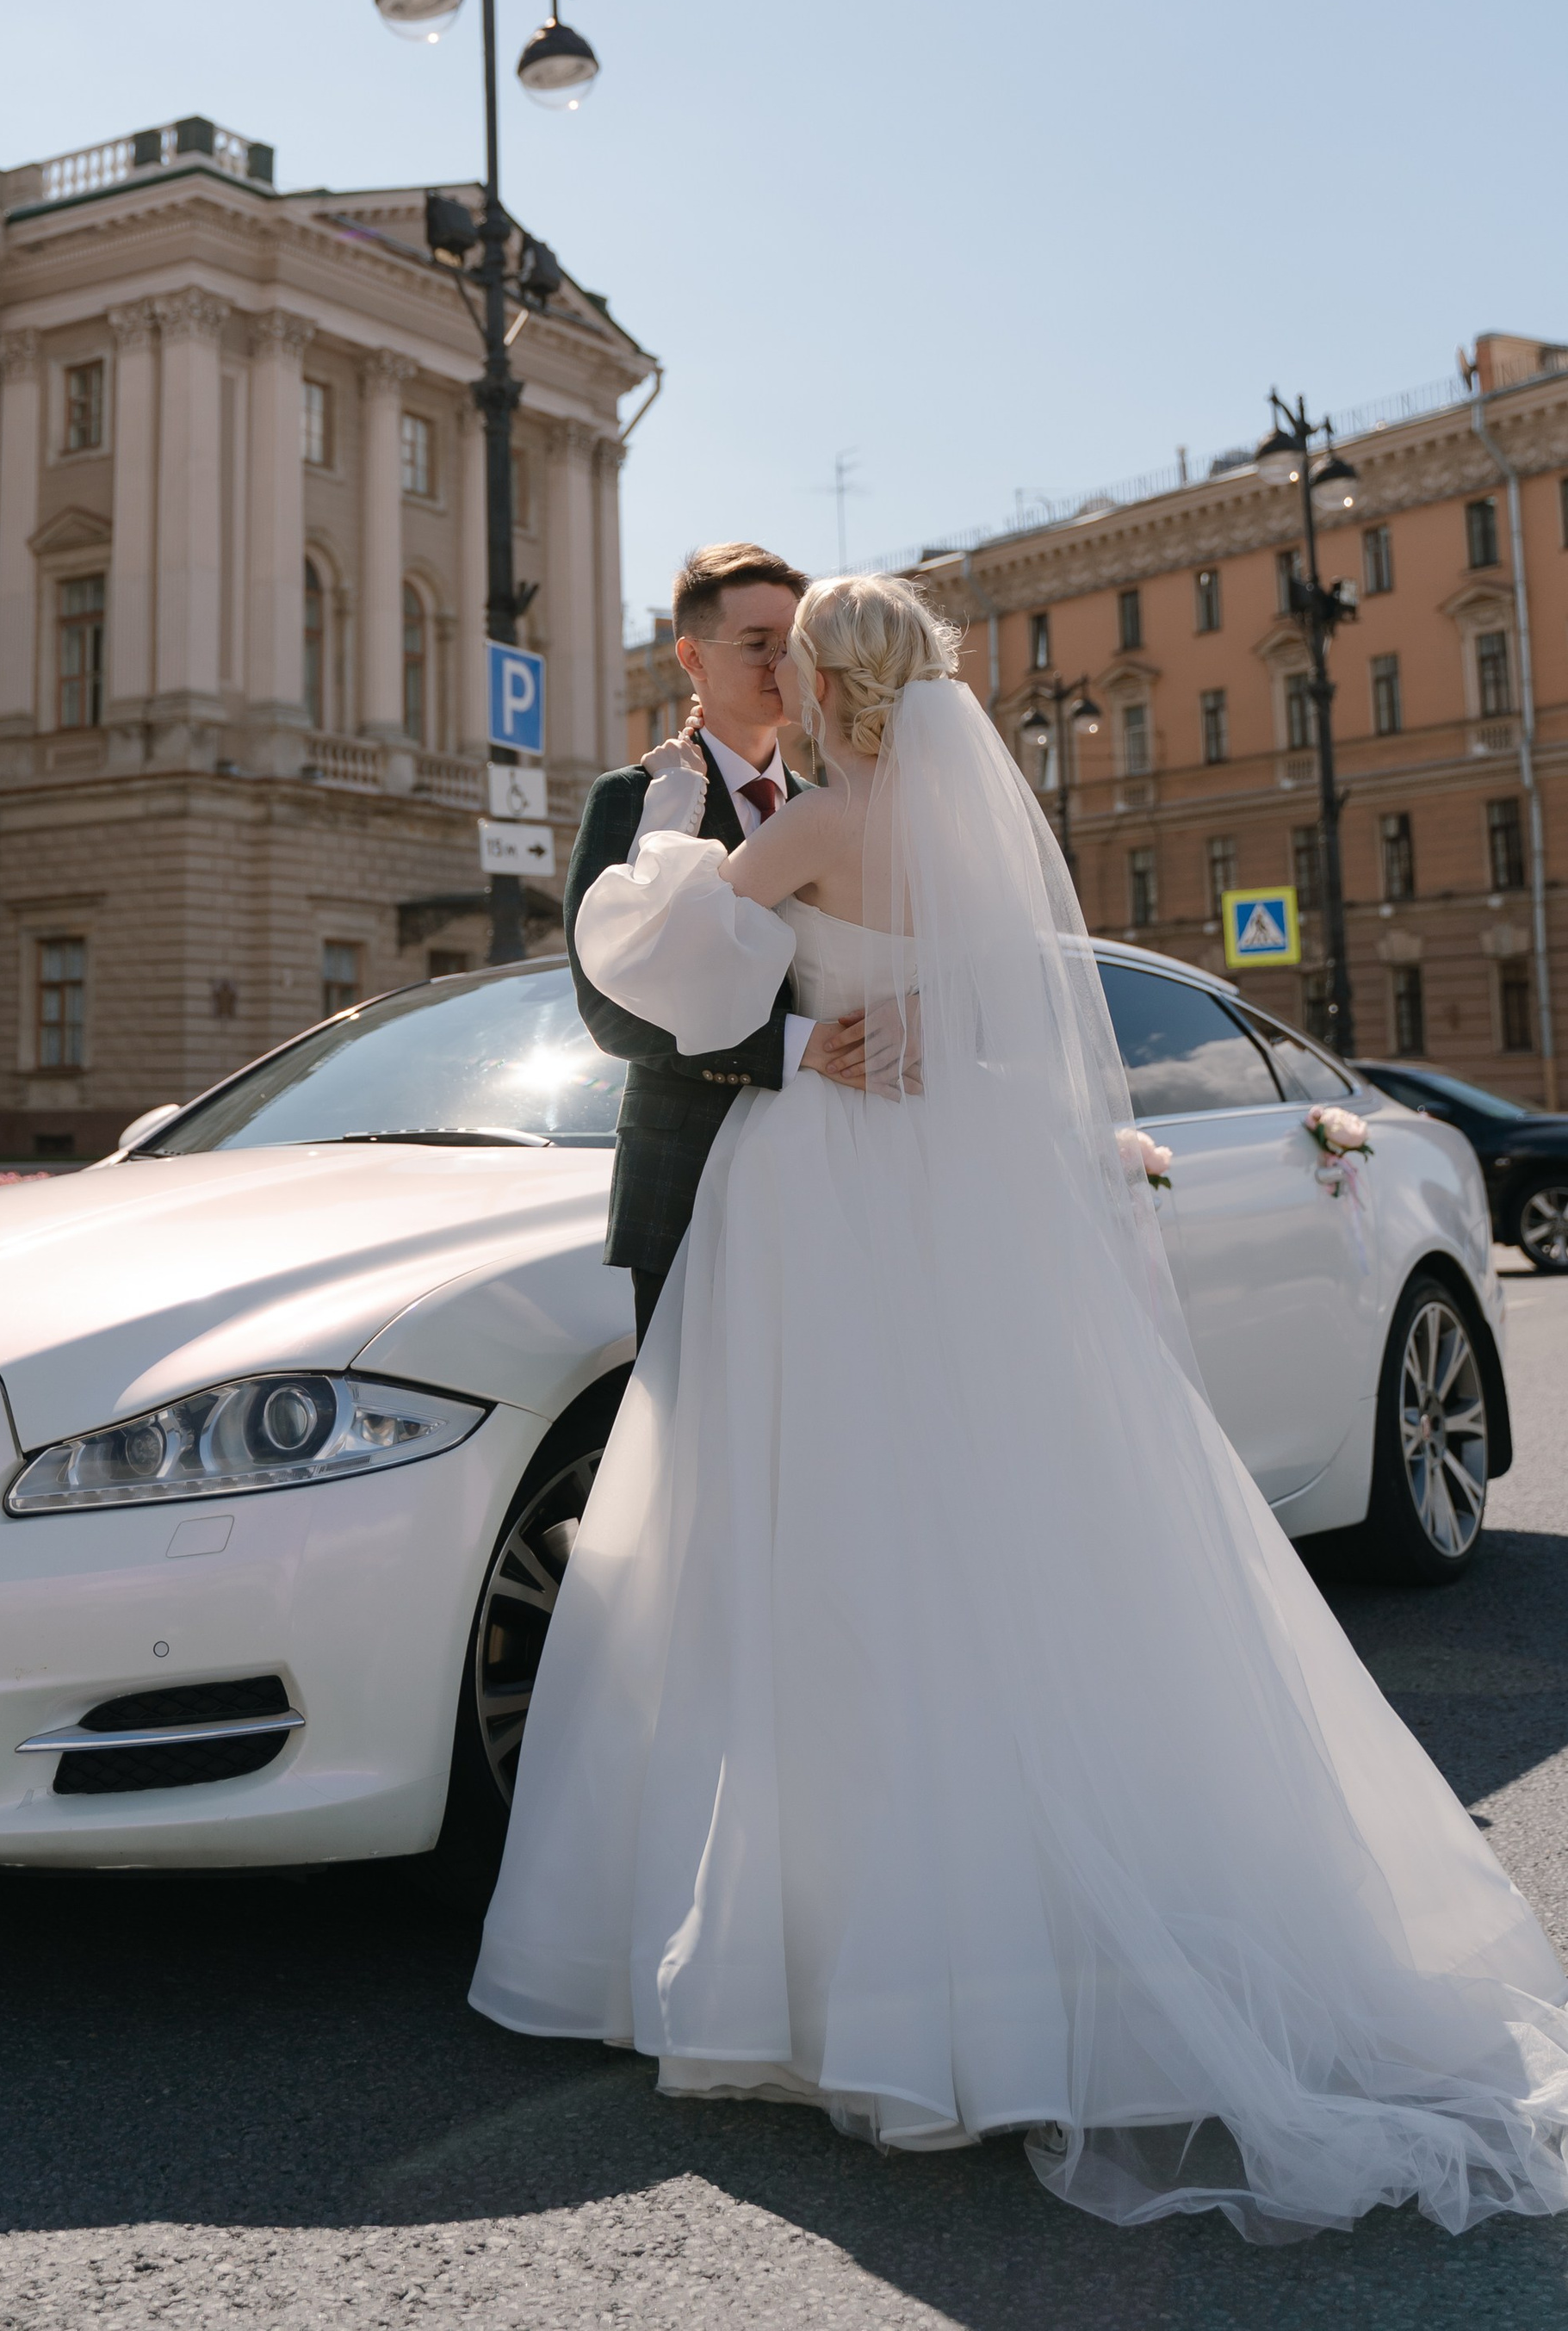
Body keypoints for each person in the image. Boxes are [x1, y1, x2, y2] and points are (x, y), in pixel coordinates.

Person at [475, 572, 1568, 2241]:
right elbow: (997, 1023)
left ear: (829, 686)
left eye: (796, 655)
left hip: (819, 1212)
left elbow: (641, 956)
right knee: (992, 1534)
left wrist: (682, 856)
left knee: (805, 1544)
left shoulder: (817, 822)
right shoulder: (970, 839)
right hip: (960, 1199)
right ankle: (1029, 1940)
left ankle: (826, 1949)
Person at [563, 543, 876, 1349]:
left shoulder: (827, 811)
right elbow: (612, 1014)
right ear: (692, 658)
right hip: (689, 1177)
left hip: (824, 1175)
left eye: (793, 641)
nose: (782, 661)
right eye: (757, 642)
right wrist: (797, 1047)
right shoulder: (636, 801)